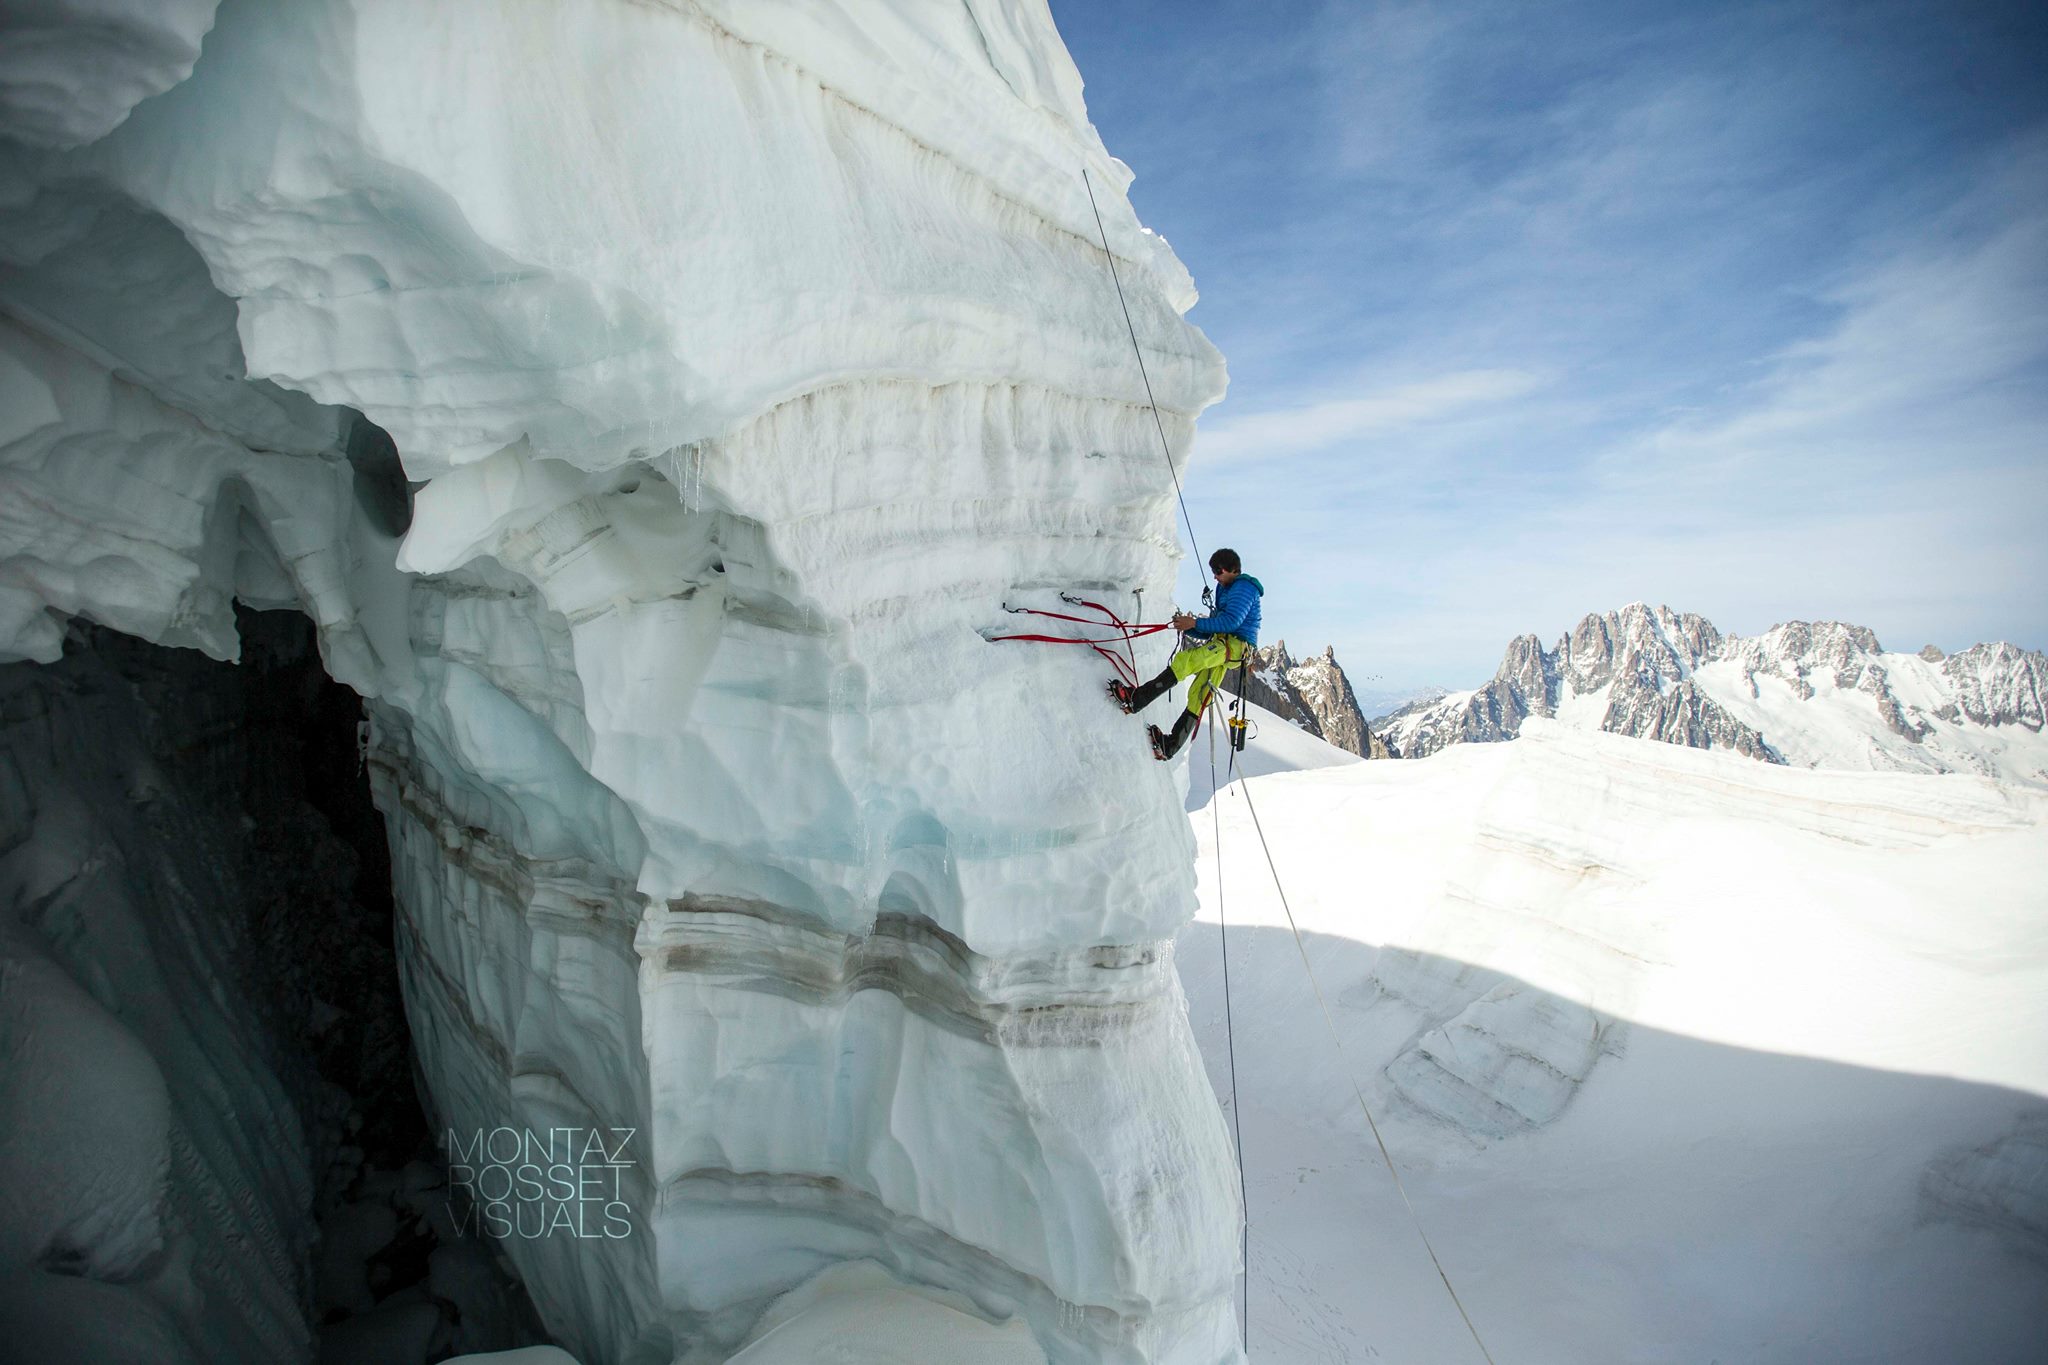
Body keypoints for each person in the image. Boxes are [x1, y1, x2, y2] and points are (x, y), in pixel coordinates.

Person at [1109, 548, 1264, 760]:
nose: (1215, 577)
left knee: (1186, 660)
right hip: (1229, 646)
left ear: (1230, 569)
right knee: (1200, 692)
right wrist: (1189, 627)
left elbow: (1231, 622)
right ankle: (1170, 745)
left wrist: (1194, 623)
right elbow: (1218, 624)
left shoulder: (1244, 587)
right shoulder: (1226, 588)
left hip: (1235, 645)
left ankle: (1137, 700)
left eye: (1218, 572)